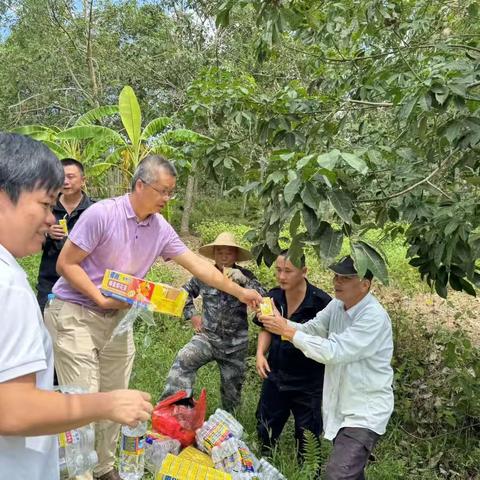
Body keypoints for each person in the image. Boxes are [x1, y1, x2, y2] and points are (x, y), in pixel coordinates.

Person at [44, 155, 262, 480]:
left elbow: (198, 266)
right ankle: (80, 475)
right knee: (86, 399)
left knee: (114, 396)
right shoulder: (103, 214)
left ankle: (104, 467)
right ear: (141, 185)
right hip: (77, 313)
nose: (166, 199)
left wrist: (240, 292)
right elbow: (66, 265)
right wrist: (98, 297)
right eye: (162, 191)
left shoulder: (159, 228)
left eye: (172, 192)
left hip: (118, 320)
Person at [0, 133, 152, 480]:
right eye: (43, 204)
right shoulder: (8, 285)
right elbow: (12, 409)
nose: (52, 220)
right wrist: (108, 403)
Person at [259, 255, 394, 480]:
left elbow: (334, 351)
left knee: (336, 474)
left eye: (345, 277)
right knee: (349, 472)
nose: (336, 281)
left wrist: (287, 331)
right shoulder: (336, 305)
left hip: (364, 412)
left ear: (365, 284)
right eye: (336, 275)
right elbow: (312, 329)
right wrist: (279, 322)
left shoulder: (373, 318)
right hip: (341, 406)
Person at [161, 232, 265, 412]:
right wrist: (193, 314)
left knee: (232, 394)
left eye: (229, 253)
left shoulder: (245, 275)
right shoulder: (204, 275)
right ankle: (173, 412)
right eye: (220, 252)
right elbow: (183, 294)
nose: (224, 257)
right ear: (214, 254)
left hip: (235, 345)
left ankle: (228, 425)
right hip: (208, 338)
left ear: (235, 255)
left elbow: (263, 297)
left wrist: (244, 281)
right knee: (184, 360)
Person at [254, 249, 331, 459]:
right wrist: (260, 353)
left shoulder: (322, 303)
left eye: (288, 271)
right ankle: (264, 465)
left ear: (304, 271)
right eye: (278, 270)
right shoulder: (272, 297)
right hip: (276, 375)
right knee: (265, 429)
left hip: (308, 382)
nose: (281, 276)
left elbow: (329, 345)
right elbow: (266, 328)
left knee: (308, 439)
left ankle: (306, 471)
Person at [36, 158, 95, 313]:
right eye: (61, 177)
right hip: (49, 281)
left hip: (83, 283)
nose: (65, 182)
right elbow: (28, 240)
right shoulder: (46, 207)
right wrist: (46, 233)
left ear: (83, 180)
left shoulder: (95, 211)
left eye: (70, 177)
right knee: (46, 331)